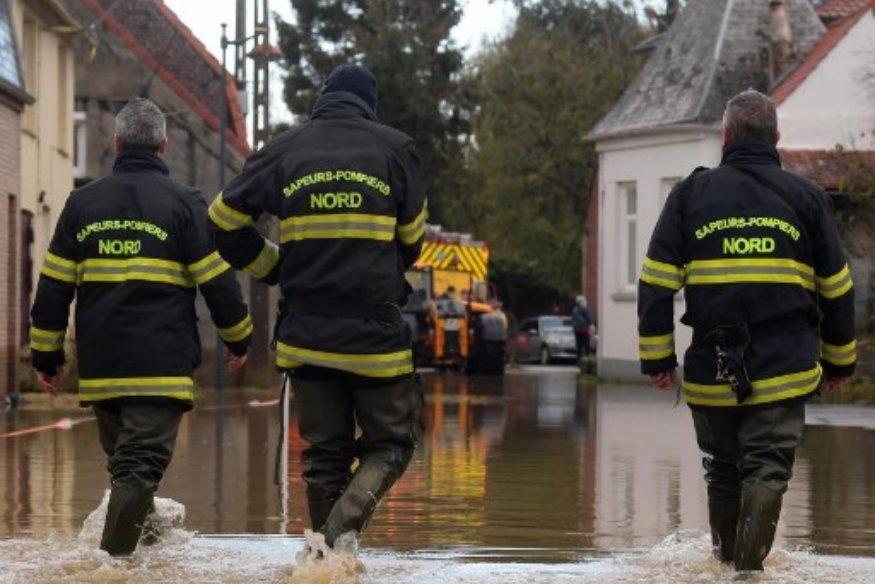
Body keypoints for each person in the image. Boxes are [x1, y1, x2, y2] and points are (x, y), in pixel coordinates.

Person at [208, 64, 426, 548]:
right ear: (370, 106)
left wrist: (276, 268)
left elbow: (222, 221)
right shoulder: (396, 149)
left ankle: (326, 563)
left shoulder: (284, 150)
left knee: (325, 458)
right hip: (376, 338)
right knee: (391, 444)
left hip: (305, 336)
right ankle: (331, 550)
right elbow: (412, 242)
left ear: (324, 98)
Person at [638, 89, 855, 572]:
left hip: (712, 369)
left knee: (723, 472)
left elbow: (655, 284)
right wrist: (841, 361)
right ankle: (747, 573)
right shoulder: (807, 199)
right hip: (785, 369)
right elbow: (838, 289)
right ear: (776, 139)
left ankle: (723, 566)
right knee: (767, 468)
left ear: (726, 136)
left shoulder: (690, 196)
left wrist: (658, 361)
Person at [29, 98, 252, 557]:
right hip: (160, 367)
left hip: (103, 369)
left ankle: (152, 552)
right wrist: (239, 337)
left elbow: (52, 289)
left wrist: (46, 358)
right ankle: (110, 570)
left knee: (129, 470)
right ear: (164, 145)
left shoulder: (81, 204)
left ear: (116, 143)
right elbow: (218, 282)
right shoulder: (186, 204)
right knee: (136, 471)